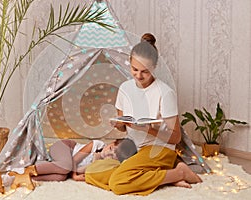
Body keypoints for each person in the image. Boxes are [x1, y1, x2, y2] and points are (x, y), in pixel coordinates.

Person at [85, 33, 202, 195]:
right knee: (90, 173)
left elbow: (175, 138)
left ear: (154, 68)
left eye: (145, 72)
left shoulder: (164, 93)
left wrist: (149, 129)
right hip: (134, 149)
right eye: (135, 69)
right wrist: (119, 124)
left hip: (159, 150)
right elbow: (123, 128)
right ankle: (164, 177)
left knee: (118, 183)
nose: (139, 76)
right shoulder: (125, 89)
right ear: (129, 64)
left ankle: (179, 172)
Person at [32, 138, 137, 182]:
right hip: (64, 147)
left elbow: (81, 171)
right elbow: (74, 160)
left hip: (65, 166)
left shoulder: (102, 165)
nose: (107, 153)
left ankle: (30, 176)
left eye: (112, 157)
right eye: (110, 149)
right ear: (112, 142)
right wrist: (74, 176)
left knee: (61, 177)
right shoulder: (97, 145)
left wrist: (95, 162)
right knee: (66, 166)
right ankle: (28, 169)